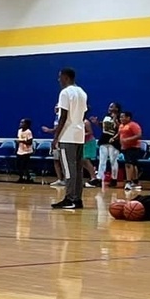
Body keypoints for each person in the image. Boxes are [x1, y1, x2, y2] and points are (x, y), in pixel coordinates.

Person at [50, 67, 89, 210]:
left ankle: (70, 198)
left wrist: (56, 137)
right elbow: (84, 113)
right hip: (79, 134)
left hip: (67, 135)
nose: (58, 79)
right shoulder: (82, 92)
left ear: (66, 77)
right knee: (77, 169)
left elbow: (63, 117)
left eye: (60, 77)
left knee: (68, 169)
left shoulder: (65, 93)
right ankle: (77, 199)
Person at [95, 102, 121, 187]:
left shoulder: (120, 117)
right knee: (102, 160)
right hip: (104, 140)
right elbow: (104, 127)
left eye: (111, 107)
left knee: (113, 161)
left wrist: (115, 120)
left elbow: (121, 129)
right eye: (109, 107)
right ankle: (99, 178)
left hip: (113, 141)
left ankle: (114, 179)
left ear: (117, 109)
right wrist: (97, 123)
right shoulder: (106, 116)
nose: (109, 108)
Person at [118, 111, 143, 191]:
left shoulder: (133, 125)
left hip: (133, 147)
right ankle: (135, 181)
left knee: (129, 164)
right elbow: (120, 134)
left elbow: (139, 135)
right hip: (125, 148)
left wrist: (128, 139)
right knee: (133, 164)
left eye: (123, 117)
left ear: (128, 117)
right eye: (120, 117)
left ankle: (128, 182)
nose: (121, 118)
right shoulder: (121, 125)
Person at [14, 118, 34, 183]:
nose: (21, 124)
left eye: (22, 123)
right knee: (18, 165)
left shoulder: (28, 132)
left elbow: (30, 142)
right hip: (20, 151)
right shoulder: (19, 131)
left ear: (27, 124)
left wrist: (21, 141)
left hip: (27, 151)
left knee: (24, 166)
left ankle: (28, 178)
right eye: (20, 122)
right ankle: (21, 177)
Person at [81, 112, 98, 187]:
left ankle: (93, 178)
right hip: (83, 142)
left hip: (89, 142)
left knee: (86, 160)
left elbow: (90, 132)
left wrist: (81, 134)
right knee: (82, 160)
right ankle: (93, 172)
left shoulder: (86, 122)